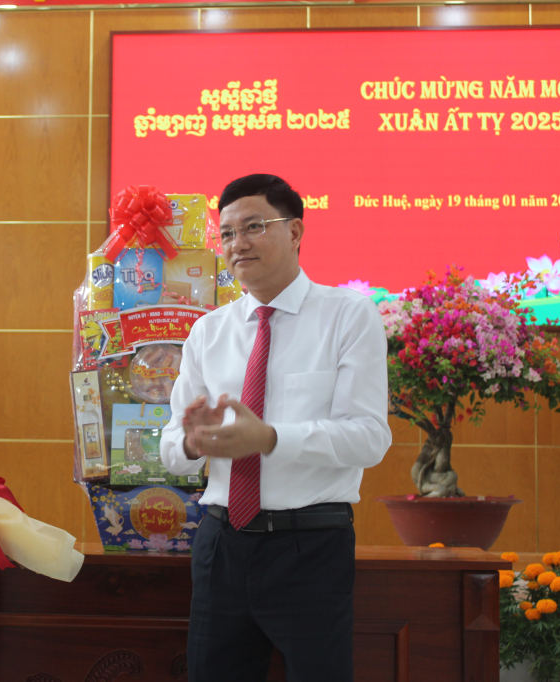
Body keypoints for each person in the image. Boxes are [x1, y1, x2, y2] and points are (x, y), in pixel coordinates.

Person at [160, 174, 392, 682]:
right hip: (222, 542)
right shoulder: (208, 331)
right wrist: (192, 443)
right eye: (226, 233)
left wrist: (268, 439)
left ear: (295, 232)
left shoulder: (348, 315)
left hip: (310, 545)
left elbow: (369, 437)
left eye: (253, 226)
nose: (237, 243)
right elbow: (170, 447)